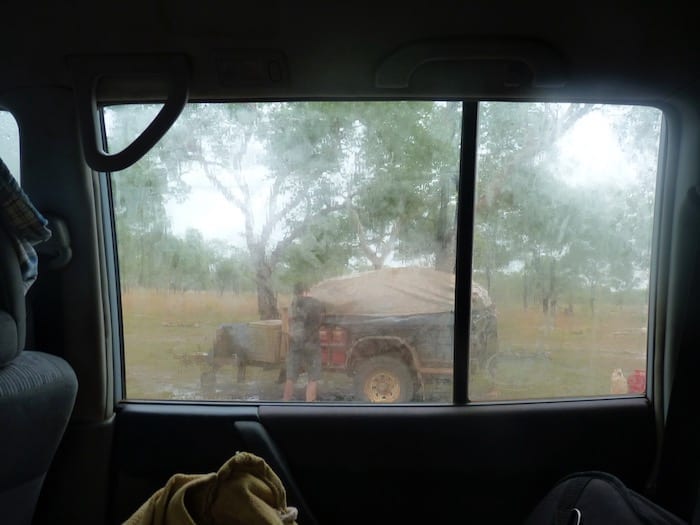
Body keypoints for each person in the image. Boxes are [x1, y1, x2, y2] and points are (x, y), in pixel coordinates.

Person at [283, 282, 325, 402]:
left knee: (290, 377)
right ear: (306, 291)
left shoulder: (293, 303)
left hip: (295, 343)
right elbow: (322, 318)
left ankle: (284, 404)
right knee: (312, 378)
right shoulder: (316, 303)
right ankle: (310, 405)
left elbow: (290, 321)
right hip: (312, 344)